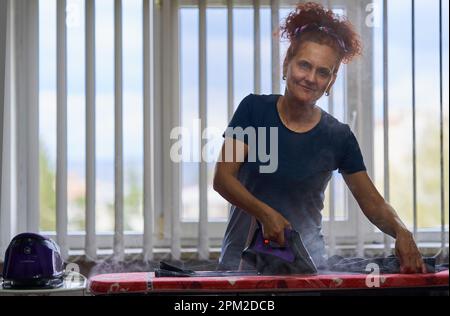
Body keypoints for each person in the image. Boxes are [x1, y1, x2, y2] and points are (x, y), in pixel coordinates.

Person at [213, 2, 426, 273]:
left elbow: (373, 203)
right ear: (287, 63)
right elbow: (223, 178)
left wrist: (401, 230)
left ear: (332, 80)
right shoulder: (253, 110)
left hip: (306, 272)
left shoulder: (338, 136)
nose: (311, 78)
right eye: (304, 65)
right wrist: (265, 213)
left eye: (323, 71)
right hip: (240, 268)